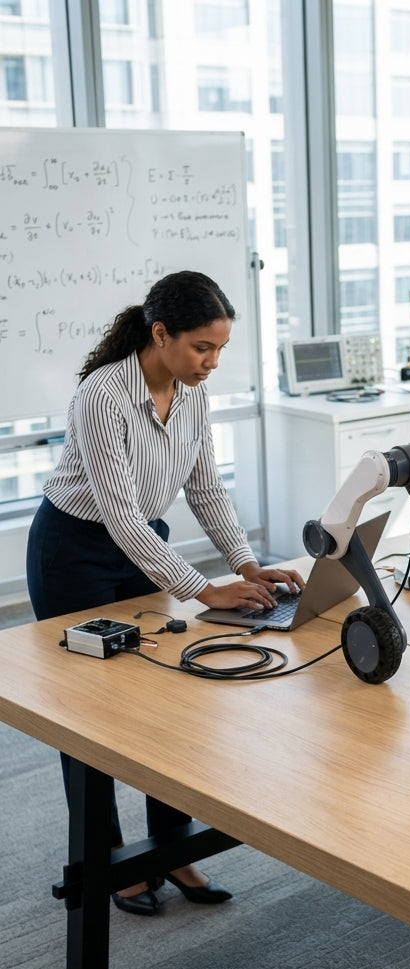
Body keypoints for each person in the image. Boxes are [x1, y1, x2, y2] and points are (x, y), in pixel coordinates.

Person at [26, 270, 305, 917]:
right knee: (90, 714)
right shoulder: (103, 395)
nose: (212, 362)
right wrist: (204, 590)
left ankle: (171, 848)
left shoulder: (192, 395)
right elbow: (120, 514)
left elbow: (206, 489)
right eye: (203, 347)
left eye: (220, 349)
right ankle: (107, 859)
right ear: (160, 334)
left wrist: (247, 565)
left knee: (165, 698)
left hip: (142, 544)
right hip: (74, 551)